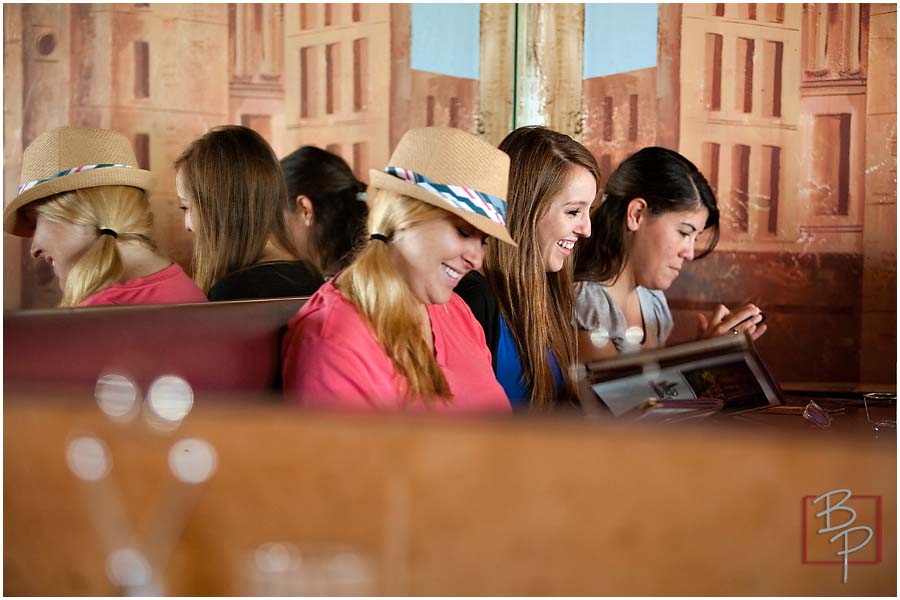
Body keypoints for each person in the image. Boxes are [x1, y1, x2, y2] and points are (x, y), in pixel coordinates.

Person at [282, 127, 516, 413]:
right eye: (463, 232)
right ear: (404, 217)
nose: (476, 259)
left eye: (484, 241)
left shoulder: (457, 312)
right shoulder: (333, 336)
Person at [573, 146, 766, 362]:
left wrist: (708, 348)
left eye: (695, 238)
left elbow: (658, 383)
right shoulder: (587, 306)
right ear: (637, 215)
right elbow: (623, 395)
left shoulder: (652, 299)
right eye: (684, 232)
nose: (690, 253)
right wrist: (704, 358)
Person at [456, 126, 600, 410]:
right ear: (526, 209)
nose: (587, 230)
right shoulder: (473, 297)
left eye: (588, 212)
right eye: (573, 212)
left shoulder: (550, 291)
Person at [3, 126, 206, 307]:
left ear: (79, 205)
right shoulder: (185, 287)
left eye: (35, 221)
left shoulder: (95, 318)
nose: (34, 250)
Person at [174, 125, 324, 300]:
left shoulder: (232, 291)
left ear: (220, 208)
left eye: (187, 207)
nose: (187, 225)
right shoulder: (312, 276)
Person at [280, 146, 369, 278]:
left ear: (305, 209)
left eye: (277, 221)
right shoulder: (369, 270)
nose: (274, 237)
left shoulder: (332, 291)